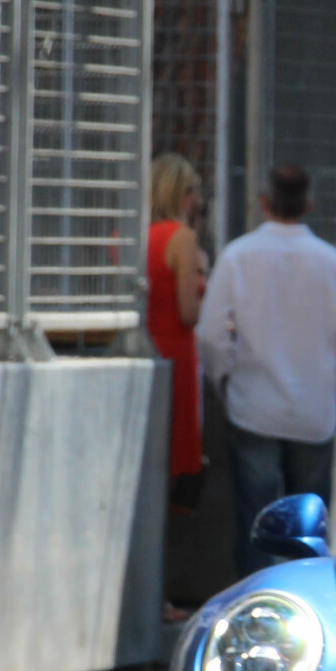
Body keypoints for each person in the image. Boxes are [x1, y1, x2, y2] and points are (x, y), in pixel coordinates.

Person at [196, 163, 336, 577]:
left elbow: (209, 335)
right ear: (308, 204)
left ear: (263, 203)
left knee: (256, 524)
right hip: (315, 413)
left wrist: (225, 379)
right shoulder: (333, 264)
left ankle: (254, 610)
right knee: (308, 531)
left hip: (253, 406)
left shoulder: (238, 257)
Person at [144, 154, 208, 510]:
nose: (196, 200)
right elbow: (187, 312)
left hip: (146, 345)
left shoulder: (128, 233)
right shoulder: (181, 238)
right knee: (178, 451)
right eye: (193, 191)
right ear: (181, 193)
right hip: (177, 352)